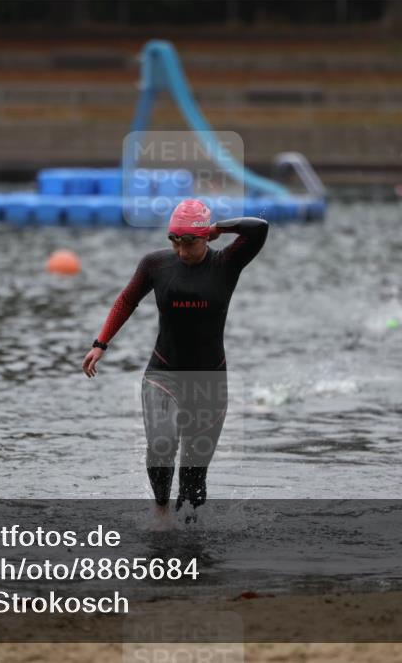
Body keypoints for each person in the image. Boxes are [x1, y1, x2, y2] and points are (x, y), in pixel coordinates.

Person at [82, 199, 268, 526]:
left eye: (189, 242)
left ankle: (189, 540)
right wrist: (101, 343)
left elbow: (259, 228)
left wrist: (219, 227)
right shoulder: (156, 265)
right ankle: (160, 513)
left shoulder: (227, 262)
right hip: (163, 373)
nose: (181, 251)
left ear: (206, 237)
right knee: (161, 441)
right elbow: (126, 300)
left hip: (209, 381)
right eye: (175, 241)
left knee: (194, 484)